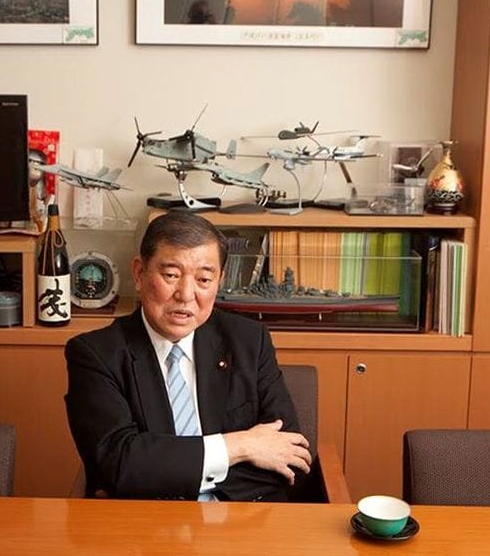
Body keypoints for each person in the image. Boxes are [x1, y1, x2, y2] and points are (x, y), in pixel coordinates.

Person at [65, 211, 311, 501]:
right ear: (139, 273)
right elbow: (118, 465)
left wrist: (160, 473)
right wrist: (240, 446)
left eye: (204, 279)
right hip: (144, 523)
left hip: (240, 518)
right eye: (171, 275)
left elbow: (288, 453)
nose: (185, 294)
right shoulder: (96, 354)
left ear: (219, 281)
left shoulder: (248, 340)